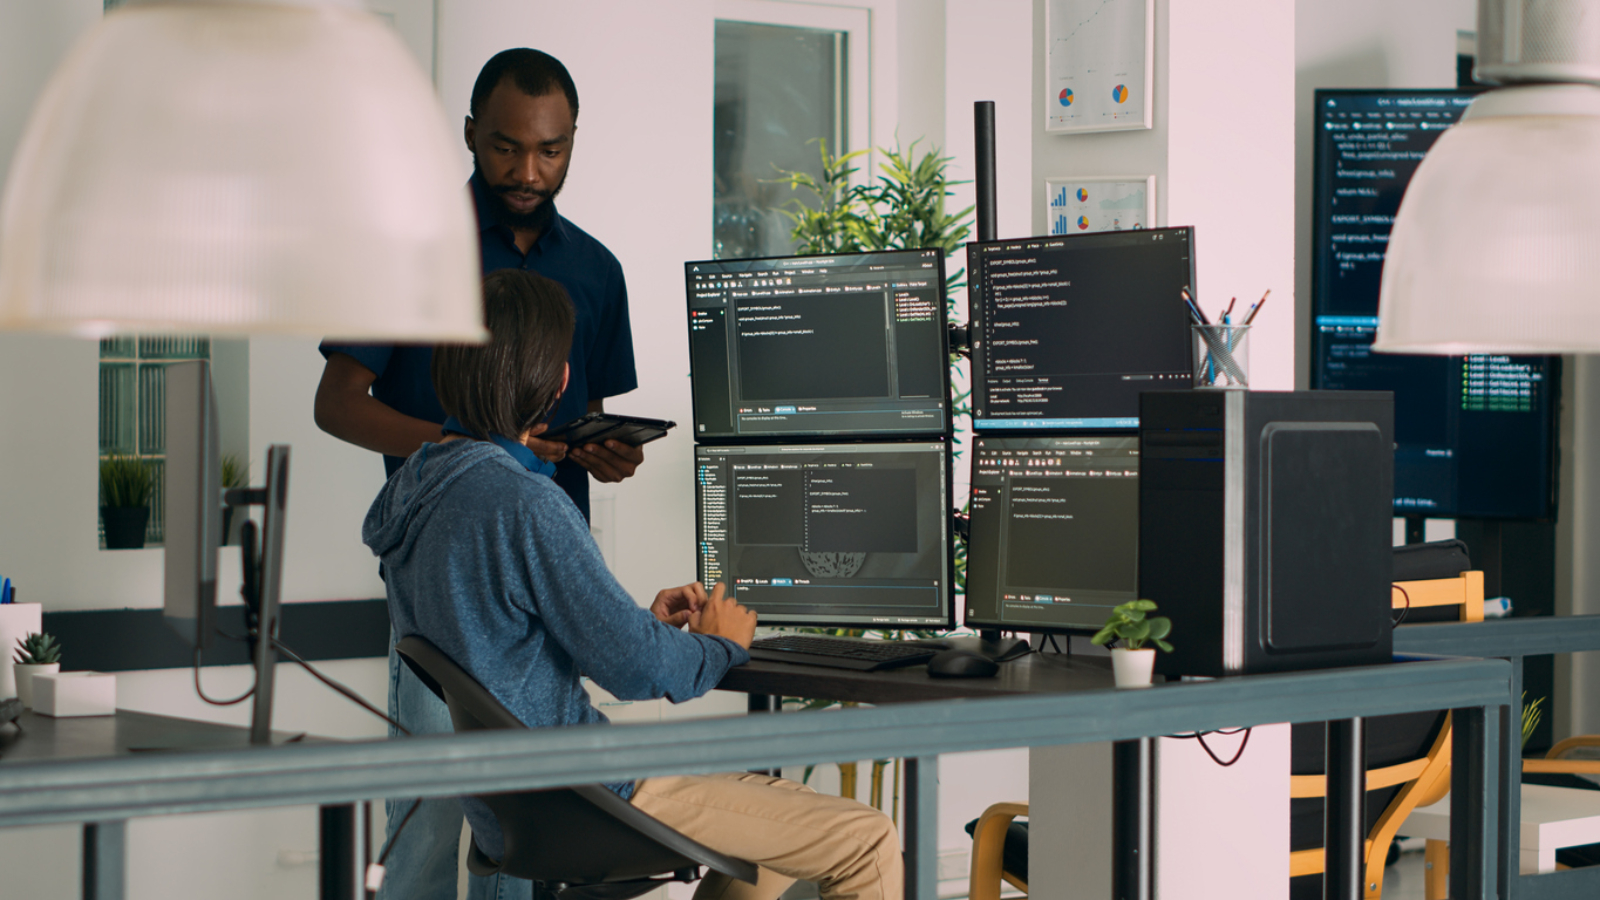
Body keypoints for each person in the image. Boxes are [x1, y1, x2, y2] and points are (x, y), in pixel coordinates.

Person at [364, 269, 903, 900]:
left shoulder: (419, 493)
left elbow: (504, 651)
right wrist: (719, 645)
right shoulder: (522, 502)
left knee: (779, 820)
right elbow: (638, 669)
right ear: (561, 380)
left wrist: (632, 621)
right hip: (591, 791)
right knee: (866, 838)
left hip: (519, 808)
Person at [313, 48, 645, 900]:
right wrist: (477, 443)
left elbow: (576, 426)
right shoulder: (404, 248)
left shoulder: (597, 272)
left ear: (574, 142)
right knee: (425, 828)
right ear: (469, 134)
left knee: (529, 830)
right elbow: (338, 403)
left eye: (550, 150)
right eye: (504, 147)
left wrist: (605, 456)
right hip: (448, 577)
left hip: (551, 571)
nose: (527, 171)